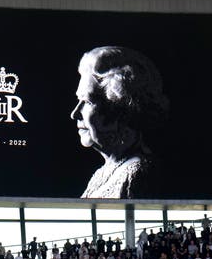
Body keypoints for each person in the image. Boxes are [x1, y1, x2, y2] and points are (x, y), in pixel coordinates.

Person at [71, 46, 169, 199]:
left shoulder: (137, 174)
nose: (74, 114)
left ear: (120, 109)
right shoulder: (104, 172)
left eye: (88, 102)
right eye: (79, 100)